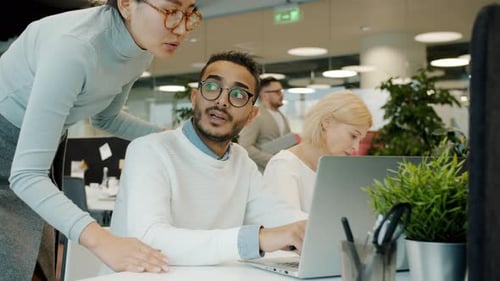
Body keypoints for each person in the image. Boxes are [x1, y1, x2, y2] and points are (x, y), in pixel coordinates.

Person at [0, 0, 203, 279]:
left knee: (40, 264)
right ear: (127, 4)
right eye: (170, 11)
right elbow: (26, 175)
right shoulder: (75, 48)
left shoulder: (142, 48)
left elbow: (106, 118)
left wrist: (175, 140)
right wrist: (104, 241)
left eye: (190, 12)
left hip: (38, 153)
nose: (181, 28)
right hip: (8, 146)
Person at [106, 51, 307, 268]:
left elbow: (277, 214)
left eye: (238, 94)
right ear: (194, 98)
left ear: (252, 115)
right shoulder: (149, 150)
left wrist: (320, 227)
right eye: (211, 88)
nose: (222, 101)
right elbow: (149, 239)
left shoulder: (241, 160)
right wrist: (257, 239)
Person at [263, 91, 373, 213]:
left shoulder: (334, 169)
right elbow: (287, 227)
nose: (356, 147)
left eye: (360, 140)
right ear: (327, 122)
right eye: (353, 136)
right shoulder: (283, 166)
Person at [238, 77, 292, 172]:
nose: (281, 95)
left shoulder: (282, 116)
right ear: (264, 95)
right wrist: (273, 160)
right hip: (262, 173)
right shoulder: (255, 115)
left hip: (281, 171)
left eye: (281, 91)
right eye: (277, 92)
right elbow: (245, 146)